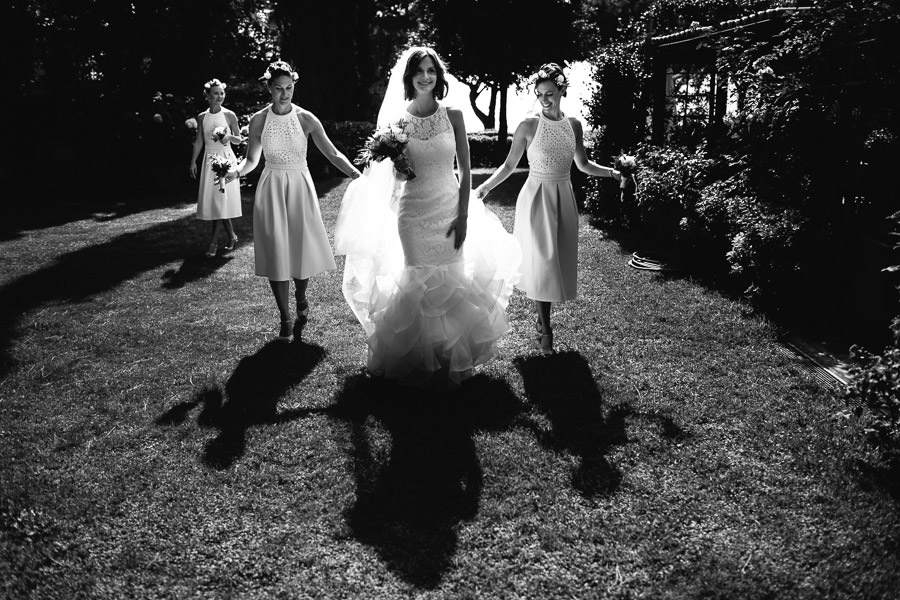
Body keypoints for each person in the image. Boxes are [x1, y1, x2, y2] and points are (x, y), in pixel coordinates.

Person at [335, 47, 520, 388]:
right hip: (413, 215)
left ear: (439, 76)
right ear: (409, 77)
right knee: (417, 284)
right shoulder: (398, 123)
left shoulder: (454, 115)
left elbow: (465, 172)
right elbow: (394, 176)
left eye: (431, 71)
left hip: (450, 208)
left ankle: (451, 359)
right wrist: (399, 169)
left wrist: (463, 217)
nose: (425, 77)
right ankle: (419, 361)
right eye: (419, 71)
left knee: (452, 283)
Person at [474, 63, 622, 355]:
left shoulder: (574, 125)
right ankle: (546, 329)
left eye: (551, 93)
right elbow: (508, 165)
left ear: (563, 90)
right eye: (540, 94)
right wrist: (485, 187)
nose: (545, 99)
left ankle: (543, 324)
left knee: (556, 261)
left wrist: (613, 173)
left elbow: (583, 164)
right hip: (536, 197)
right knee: (543, 260)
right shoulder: (528, 126)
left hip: (563, 196)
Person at [222, 61, 361, 342]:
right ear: (269, 89)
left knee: (300, 250)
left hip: (300, 186)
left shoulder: (306, 118)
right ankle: (285, 318)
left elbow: (332, 153)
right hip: (271, 187)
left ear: (294, 84)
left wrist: (356, 174)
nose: (285, 94)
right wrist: (234, 172)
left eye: (289, 88)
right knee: (276, 252)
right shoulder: (259, 120)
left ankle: (300, 294)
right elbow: (251, 161)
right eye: (278, 89)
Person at [189, 78, 243, 258]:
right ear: (208, 96)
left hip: (226, 160)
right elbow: (198, 141)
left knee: (220, 201)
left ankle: (213, 243)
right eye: (216, 93)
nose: (220, 96)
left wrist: (227, 138)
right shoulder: (202, 117)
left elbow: (239, 139)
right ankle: (232, 236)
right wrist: (193, 162)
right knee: (217, 202)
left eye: (222, 93)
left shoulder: (229, 115)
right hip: (209, 160)